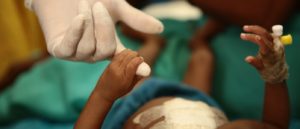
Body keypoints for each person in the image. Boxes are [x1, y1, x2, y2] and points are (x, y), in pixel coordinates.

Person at [73, 25, 290, 129]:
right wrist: (274, 74)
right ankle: (200, 39)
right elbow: (274, 126)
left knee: (135, 70)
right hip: (198, 102)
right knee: (203, 59)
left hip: (137, 105)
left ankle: (153, 43)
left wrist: (103, 95)